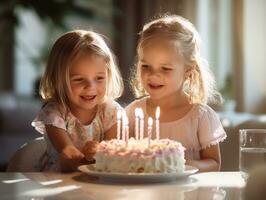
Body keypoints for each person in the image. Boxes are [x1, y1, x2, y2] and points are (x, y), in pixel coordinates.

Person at [126, 15, 226, 172]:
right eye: (146, 66)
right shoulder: (133, 113)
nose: (153, 75)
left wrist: (177, 162)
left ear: (188, 71)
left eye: (165, 68)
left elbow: (214, 164)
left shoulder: (200, 117)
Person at [32, 30, 124, 172]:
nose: (90, 87)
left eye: (99, 78)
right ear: (58, 80)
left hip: (100, 178)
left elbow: (113, 152)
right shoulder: (54, 113)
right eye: (79, 79)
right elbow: (69, 155)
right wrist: (85, 157)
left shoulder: (111, 112)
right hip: (58, 178)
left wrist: (100, 151)